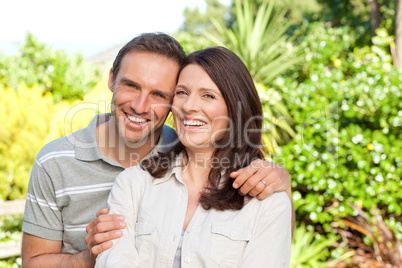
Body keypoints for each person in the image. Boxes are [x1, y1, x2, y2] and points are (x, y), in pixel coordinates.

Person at [21, 33, 293, 268]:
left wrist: (283, 185)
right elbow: (33, 263)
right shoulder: (60, 163)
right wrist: (89, 257)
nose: (140, 106)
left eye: (159, 94)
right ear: (112, 79)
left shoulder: (190, 147)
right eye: (131, 85)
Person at [95, 47, 292, 267]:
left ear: (236, 108)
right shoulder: (133, 185)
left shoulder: (269, 204)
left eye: (208, 95)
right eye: (182, 92)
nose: (188, 106)